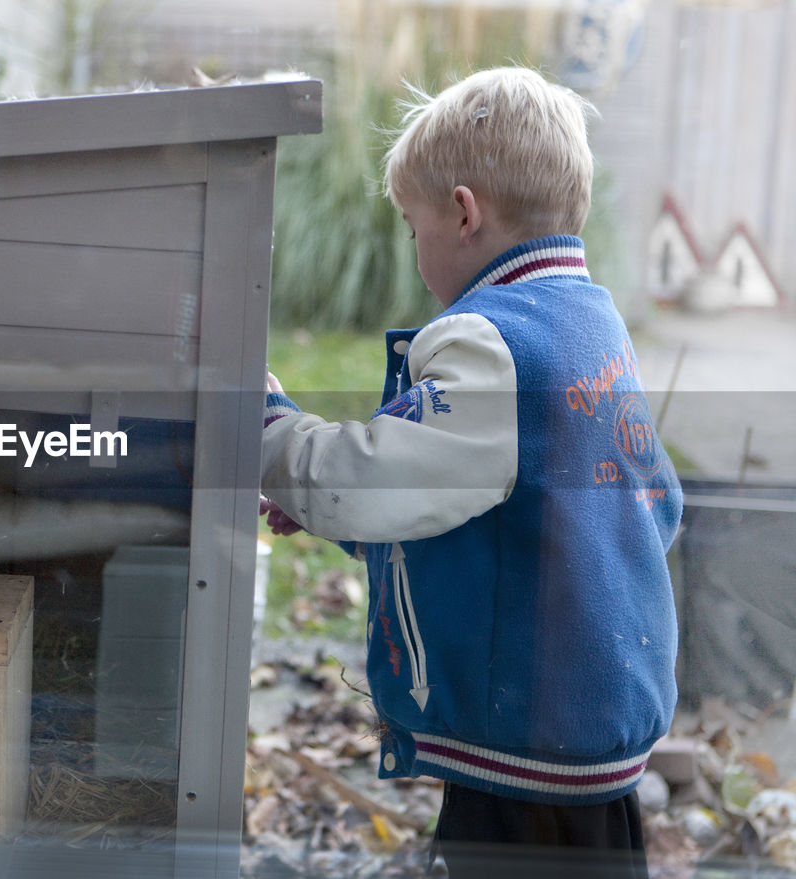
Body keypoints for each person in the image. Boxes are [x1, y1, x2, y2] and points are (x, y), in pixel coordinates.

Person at [259, 67, 682, 878]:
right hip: (592, 744)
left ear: (462, 213)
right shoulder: (592, 325)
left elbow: (374, 479)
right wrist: (335, 517)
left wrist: (272, 433)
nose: (418, 256)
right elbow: (613, 505)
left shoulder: (494, 344)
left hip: (523, 757)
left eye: (414, 229)